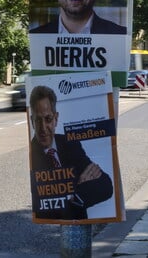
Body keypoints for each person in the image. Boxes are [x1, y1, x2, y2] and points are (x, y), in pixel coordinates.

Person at [28, 85, 113, 220]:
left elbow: (106, 186)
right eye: (38, 120)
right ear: (32, 121)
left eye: (48, 119)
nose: (43, 128)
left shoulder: (70, 144)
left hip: (80, 223)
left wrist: (74, 196)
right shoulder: (31, 154)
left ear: (56, 118)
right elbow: (43, 209)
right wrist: (79, 187)